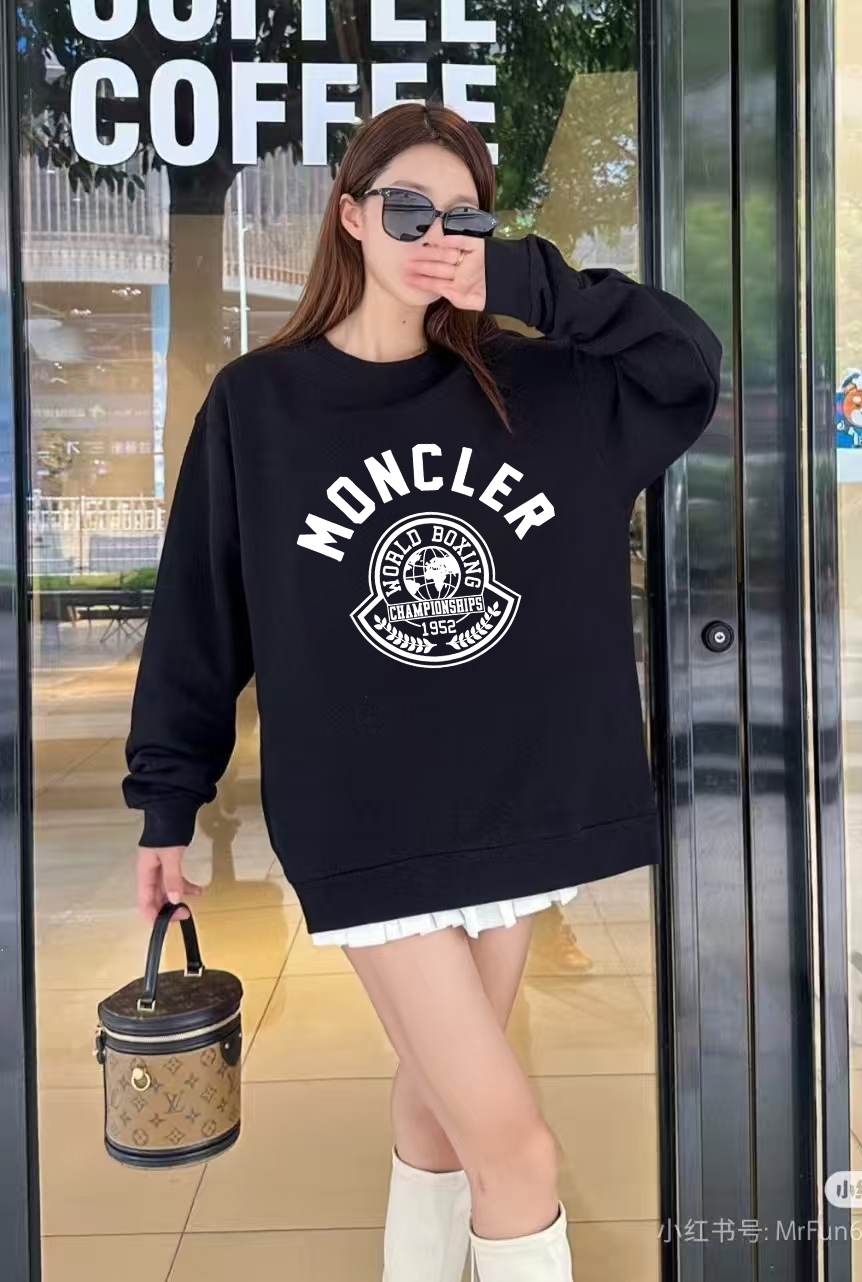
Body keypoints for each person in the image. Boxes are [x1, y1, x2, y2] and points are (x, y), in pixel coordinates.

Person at [122, 101, 723, 1281]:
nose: (436, 236)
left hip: (519, 803)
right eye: (408, 210)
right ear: (350, 216)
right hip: (366, 821)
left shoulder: (542, 390)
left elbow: (687, 367)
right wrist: (166, 800)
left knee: (441, 1111)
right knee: (522, 1154)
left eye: (464, 218)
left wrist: (528, 283)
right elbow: (201, 611)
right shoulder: (261, 404)